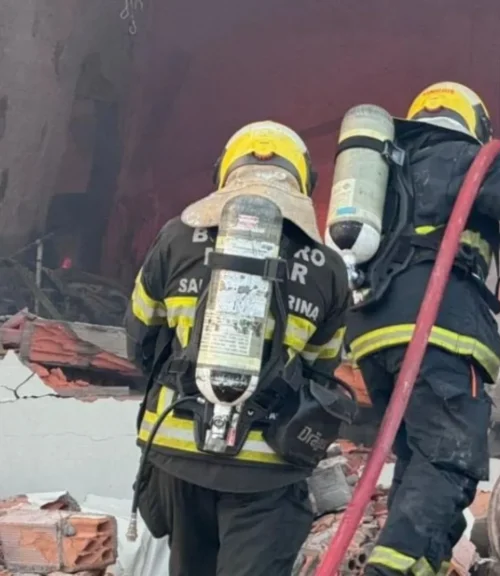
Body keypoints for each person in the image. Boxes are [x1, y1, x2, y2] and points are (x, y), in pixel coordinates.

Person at [345, 82, 500, 576]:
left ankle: (414, 565)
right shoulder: (461, 157)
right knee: (450, 462)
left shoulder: (382, 175)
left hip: (374, 335)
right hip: (440, 329)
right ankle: (391, 571)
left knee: (418, 464)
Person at [125, 121, 353, 576]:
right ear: (304, 182)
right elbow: (321, 373)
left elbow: (140, 341)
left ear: (225, 173)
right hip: (266, 467)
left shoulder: (175, 239)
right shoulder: (327, 267)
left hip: (178, 455)